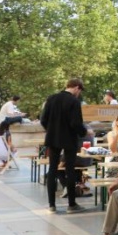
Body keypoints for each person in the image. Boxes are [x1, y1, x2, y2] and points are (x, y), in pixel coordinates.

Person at [40, 78, 86, 214]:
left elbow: (43, 119)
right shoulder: (74, 101)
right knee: (70, 170)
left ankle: (51, 205)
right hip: (69, 139)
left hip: (53, 138)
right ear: (76, 87)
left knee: (52, 169)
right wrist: (83, 132)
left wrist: (51, 130)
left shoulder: (51, 98)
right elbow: (76, 123)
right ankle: (71, 204)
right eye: (79, 91)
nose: (79, 94)